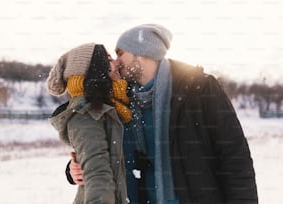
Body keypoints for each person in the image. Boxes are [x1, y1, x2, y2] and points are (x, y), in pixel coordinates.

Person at [66, 25, 258, 204]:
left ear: (141, 53)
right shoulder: (121, 100)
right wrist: (73, 170)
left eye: (120, 53)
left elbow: (234, 157)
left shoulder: (198, 88)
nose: (115, 62)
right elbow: (104, 148)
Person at [47, 43, 131, 204]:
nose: (116, 62)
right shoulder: (86, 113)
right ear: (96, 69)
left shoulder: (119, 106)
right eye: (108, 59)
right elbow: (97, 173)